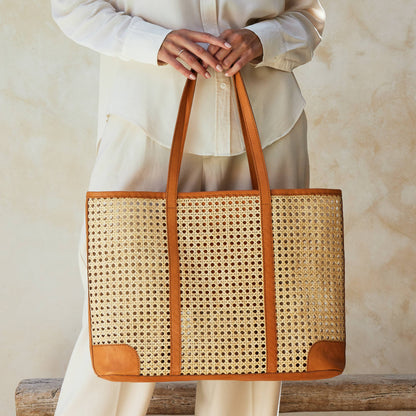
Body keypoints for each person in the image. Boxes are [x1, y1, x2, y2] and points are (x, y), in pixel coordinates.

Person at [50, 0, 325, 415]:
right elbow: (74, 8)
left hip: (268, 130)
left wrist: (261, 39)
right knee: (121, 321)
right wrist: (154, 42)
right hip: (144, 124)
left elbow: (308, 15)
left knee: (253, 329)